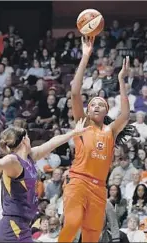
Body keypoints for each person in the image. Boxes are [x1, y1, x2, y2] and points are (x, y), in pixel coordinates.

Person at [58, 36, 134, 243]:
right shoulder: (83, 124)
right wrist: (85, 56)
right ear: (88, 110)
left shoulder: (110, 131)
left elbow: (126, 115)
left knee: (92, 236)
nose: (96, 106)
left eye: (101, 104)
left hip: (99, 188)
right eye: (92, 104)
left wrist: (121, 80)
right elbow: (75, 92)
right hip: (78, 182)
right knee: (72, 224)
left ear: (106, 110)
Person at [0, 120, 87, 243]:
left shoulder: (31, 156)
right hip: (12, 226)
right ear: (24, 140)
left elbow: (52, 142)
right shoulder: (13, 160)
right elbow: (1, 163)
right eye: (28, 136)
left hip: (23, 225)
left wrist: (73, 132)